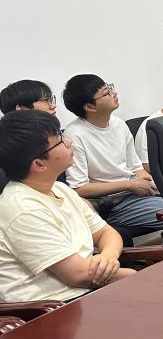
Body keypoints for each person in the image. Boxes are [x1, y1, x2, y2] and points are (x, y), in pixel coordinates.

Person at [0, 110, 135, 303]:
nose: (69, 142)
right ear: (39, 164)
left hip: (87, 292)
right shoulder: (21, 209)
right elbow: (78, 275)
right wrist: (133, 276)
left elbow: (106, 233)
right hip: (52, 307)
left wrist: (108, 257)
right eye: (60, 140)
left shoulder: (59, 188)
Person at [61, 75, 163, 245]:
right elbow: (79, 188)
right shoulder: (74, 135)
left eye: (110, 87)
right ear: (89, 107)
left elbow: (136, 167)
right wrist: (129, 185)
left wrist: (147, 181)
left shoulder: (118, 124)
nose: (114, 93)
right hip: (111, 203)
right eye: (106, 93)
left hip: (134, 193)